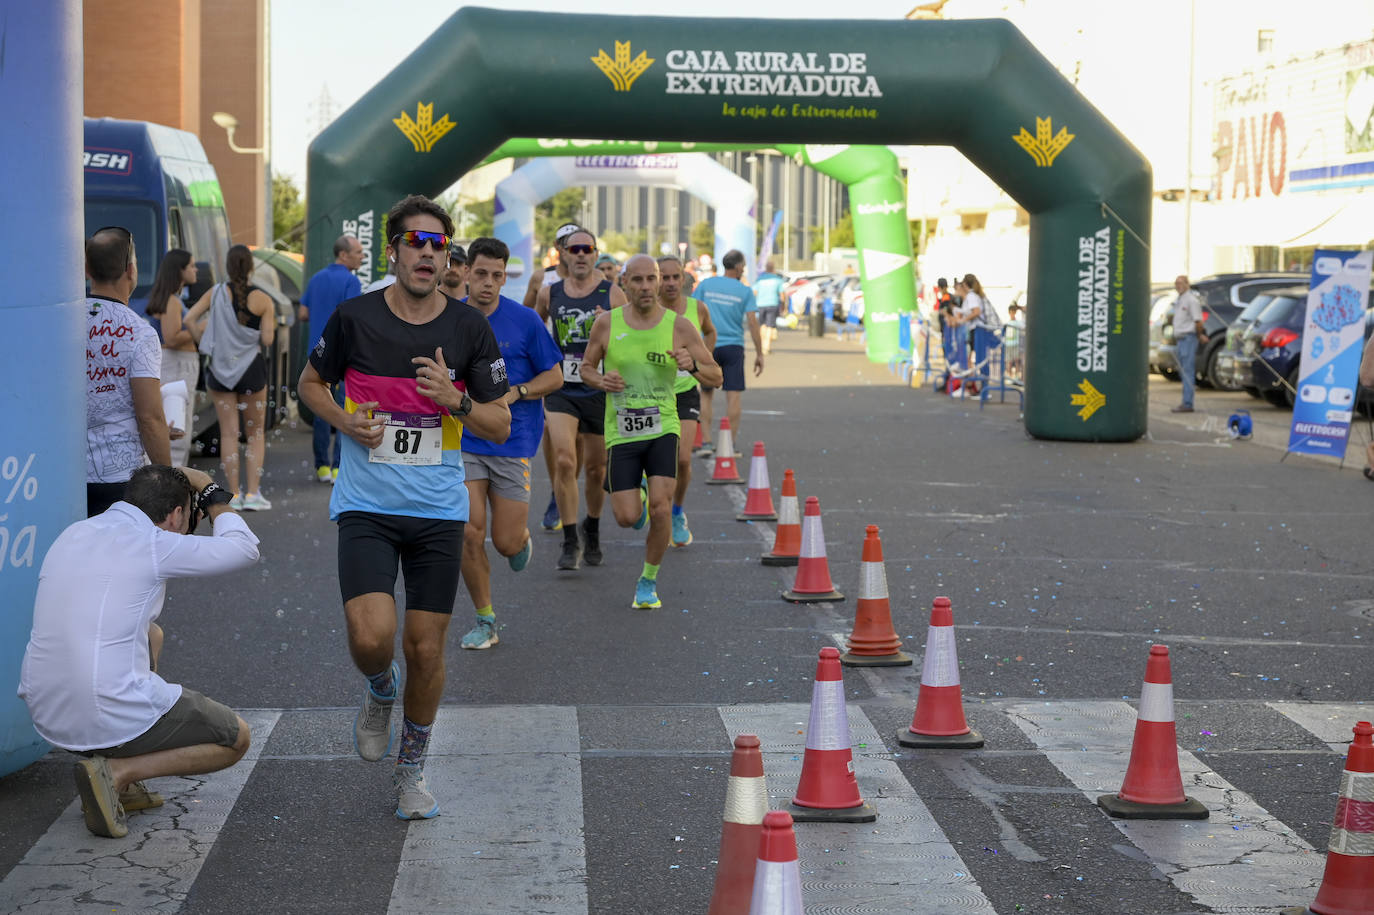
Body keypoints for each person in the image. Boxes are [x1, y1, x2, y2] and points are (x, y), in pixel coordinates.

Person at [297, 194, 511, 820]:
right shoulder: (353, 318)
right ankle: (378, 687)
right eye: (414, 241)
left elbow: (499, 423)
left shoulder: (469, 329)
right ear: (391, 251)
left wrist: (456, 400)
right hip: (366, 505)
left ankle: (411, 770)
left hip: (438, 512)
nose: (426, 252)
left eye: (437, 244)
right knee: (372, 638)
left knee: (424, 649)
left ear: (447, 257)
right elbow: (309, 384)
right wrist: (344, 421)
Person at [19, 464, 257, 838]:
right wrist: (211, 491)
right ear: (176, 515)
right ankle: (118, 773)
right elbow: (244, 548)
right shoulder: (153, 542)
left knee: (152, 634)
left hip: (46, 709)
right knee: (235, 737)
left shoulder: (75, 532)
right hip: (99, 711)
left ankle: (121, 781)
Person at [580, 255, 721, 609]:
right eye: (638, 280)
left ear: (658, 282)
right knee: (627, 518)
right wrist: (601, 380)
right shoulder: (606, 323)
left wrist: (693, 365)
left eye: (651, 280)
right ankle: (638, 498)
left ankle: (648, 581)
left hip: (663, 428)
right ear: (624, 283)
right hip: (622, 431)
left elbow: (716, 375)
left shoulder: (679, 326)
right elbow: (585, 368)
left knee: (661, 509)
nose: (646, 287)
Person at [456, 237, 563, 650]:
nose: (487, 282)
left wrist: (519, 392)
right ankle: (486, 620)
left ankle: (520, 539)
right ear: (466, 272)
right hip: (463, 438)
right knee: (468, 532)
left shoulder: (525, 321)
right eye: (481, 273)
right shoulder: (447, 317)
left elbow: (554, 376)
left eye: (496, 276)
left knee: (505, 542)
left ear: (505, 278)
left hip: (512, 440)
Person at [535, 229, 628, 571]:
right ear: (563, 253)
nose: (580, 255)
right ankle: (570, 538)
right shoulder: (550, 292)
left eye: (587, 249)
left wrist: (610, 328)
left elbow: (630, 335)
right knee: (564, 460)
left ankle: (593, 527)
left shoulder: (612, 292)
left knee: (596, 468)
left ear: (595, 254)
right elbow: (535, 331)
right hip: (562, 388)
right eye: (574, 249)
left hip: (599, 388)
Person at [85, 226, 172, 517]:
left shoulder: (60, 322)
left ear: (87, 270)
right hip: (119, 479)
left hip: (63, 472)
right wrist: (168, 483)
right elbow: (150, 417)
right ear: (131, 270)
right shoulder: (139, 333)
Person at [185, 245, 276, 510]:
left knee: (228, 434)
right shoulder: (263, 299)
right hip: (251, 370)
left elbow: (189, 319)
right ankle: (254, 495)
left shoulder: (214, 293)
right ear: (251, 268)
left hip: (220, 371)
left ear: (227, 266)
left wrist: (205, 343)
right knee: (255, 433)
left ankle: (233, 495)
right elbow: (267, 340)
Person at [657, 255, 716, 547]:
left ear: (683, 279)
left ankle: (677, 512)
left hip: (685, 391)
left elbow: (710, 332)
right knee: (652, 457)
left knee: (682, 459)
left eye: (675, 277)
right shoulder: (646, 309)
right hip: (651, 394)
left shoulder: (697, 308)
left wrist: (702, 360)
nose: (670, 283)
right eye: (664, 277)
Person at [524, 223, 579, 533]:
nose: (573, 250)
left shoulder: (597, 279)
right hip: (549, 363)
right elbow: (528, 316)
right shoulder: (541, 278)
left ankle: (565, 488)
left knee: (580, 441)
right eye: (566, 243)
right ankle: (558, 493)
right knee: (551, 434)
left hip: (585, 366)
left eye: (579, 245)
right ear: (558, 248)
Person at [300, 234, 363, 483]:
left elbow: (303, 313)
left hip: (316, 354)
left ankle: (321, 467)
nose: (362, 257)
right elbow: (353, 320)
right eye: (358, 252)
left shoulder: (316, 278)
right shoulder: (351, 281)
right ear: (343, 255)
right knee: (343, 410)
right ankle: (338, 467)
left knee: (322, 410)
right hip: (344, 356)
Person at [694, 249, 763, 448]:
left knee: (706, 394)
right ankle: (729, 445)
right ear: (739, 267)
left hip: (708, 345)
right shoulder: (745, 291)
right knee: (733, 395)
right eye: (744, 266)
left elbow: (693, 311)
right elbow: (752, 323)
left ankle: (706, 441)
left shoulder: (707, 284)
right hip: (733, 346)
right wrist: (759, 353)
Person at [144, 248, 199, 467]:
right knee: (177, 429)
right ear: (179, 270)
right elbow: (172, 337)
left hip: (177, 365)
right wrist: (199, 327)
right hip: (177, 366)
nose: (196, 270)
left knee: (177, 427)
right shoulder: (172, 301)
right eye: (191, 266)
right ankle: (171, 479)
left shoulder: (172, 299)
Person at [956, 273, 1000, 394]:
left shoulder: (971, 296)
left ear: (965, 285)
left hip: (978, 330)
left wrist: (964, 320)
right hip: (978, 330)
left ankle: (981, 390)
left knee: (978, 360)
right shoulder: (975, 295)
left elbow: (976, 311)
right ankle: (980, 389)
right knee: (978, 360)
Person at [1171, 274, 1207, 413]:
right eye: (1176, 283)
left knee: (1187, 371)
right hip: (1180, 339)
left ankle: (1187, 403)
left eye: (1181, 283)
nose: (1178, 286)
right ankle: (1185, 401)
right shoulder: (1180, 300)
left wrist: (1199, 335)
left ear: (1187, 284)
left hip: (1188, 338)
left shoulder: (1192, 300)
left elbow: (1198, 321)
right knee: (1183, 371)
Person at [753, 259, 785, 355]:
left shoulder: (759, 279)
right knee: (770, 326)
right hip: (772, 304)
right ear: (773, 268)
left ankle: (762, 344)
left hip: (760, 305)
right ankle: (766, 347)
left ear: (766, 268)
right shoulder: (778, 280)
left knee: (762, 325)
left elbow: (754, 293)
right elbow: (782, 295)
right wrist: (783, 306)